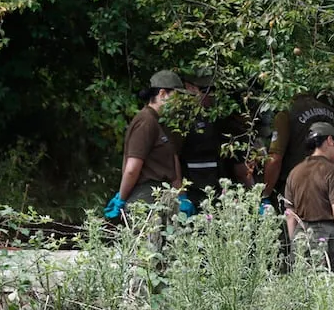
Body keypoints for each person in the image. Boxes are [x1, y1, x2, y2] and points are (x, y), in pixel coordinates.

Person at [104, 70, 189, 220]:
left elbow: (172, 161)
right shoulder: (146, 121)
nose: (180, 102)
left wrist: (181, 195)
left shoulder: (161, 122)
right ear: (162, 94)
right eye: (177, 96)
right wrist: (121, 199)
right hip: (145, 199)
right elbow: (132, 168)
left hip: (162, 197)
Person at [283, 122, 334, 285]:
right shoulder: (332, 170)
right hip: (328, 238)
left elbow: (290, 215)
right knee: (333, 288)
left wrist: (295, 241)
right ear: (330, 140)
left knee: (305, 287)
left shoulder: (295, 172)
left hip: (302, 235)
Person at [177, 69, 254, 207]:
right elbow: (172, 159)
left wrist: (255, 197)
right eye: (206, 90)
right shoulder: (180, 120)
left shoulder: (226, 118)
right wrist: (181, 195)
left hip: (222, 197)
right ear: (190, 88)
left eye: (214, 90)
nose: (211, 95)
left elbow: (240, 166)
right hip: (191, 194)